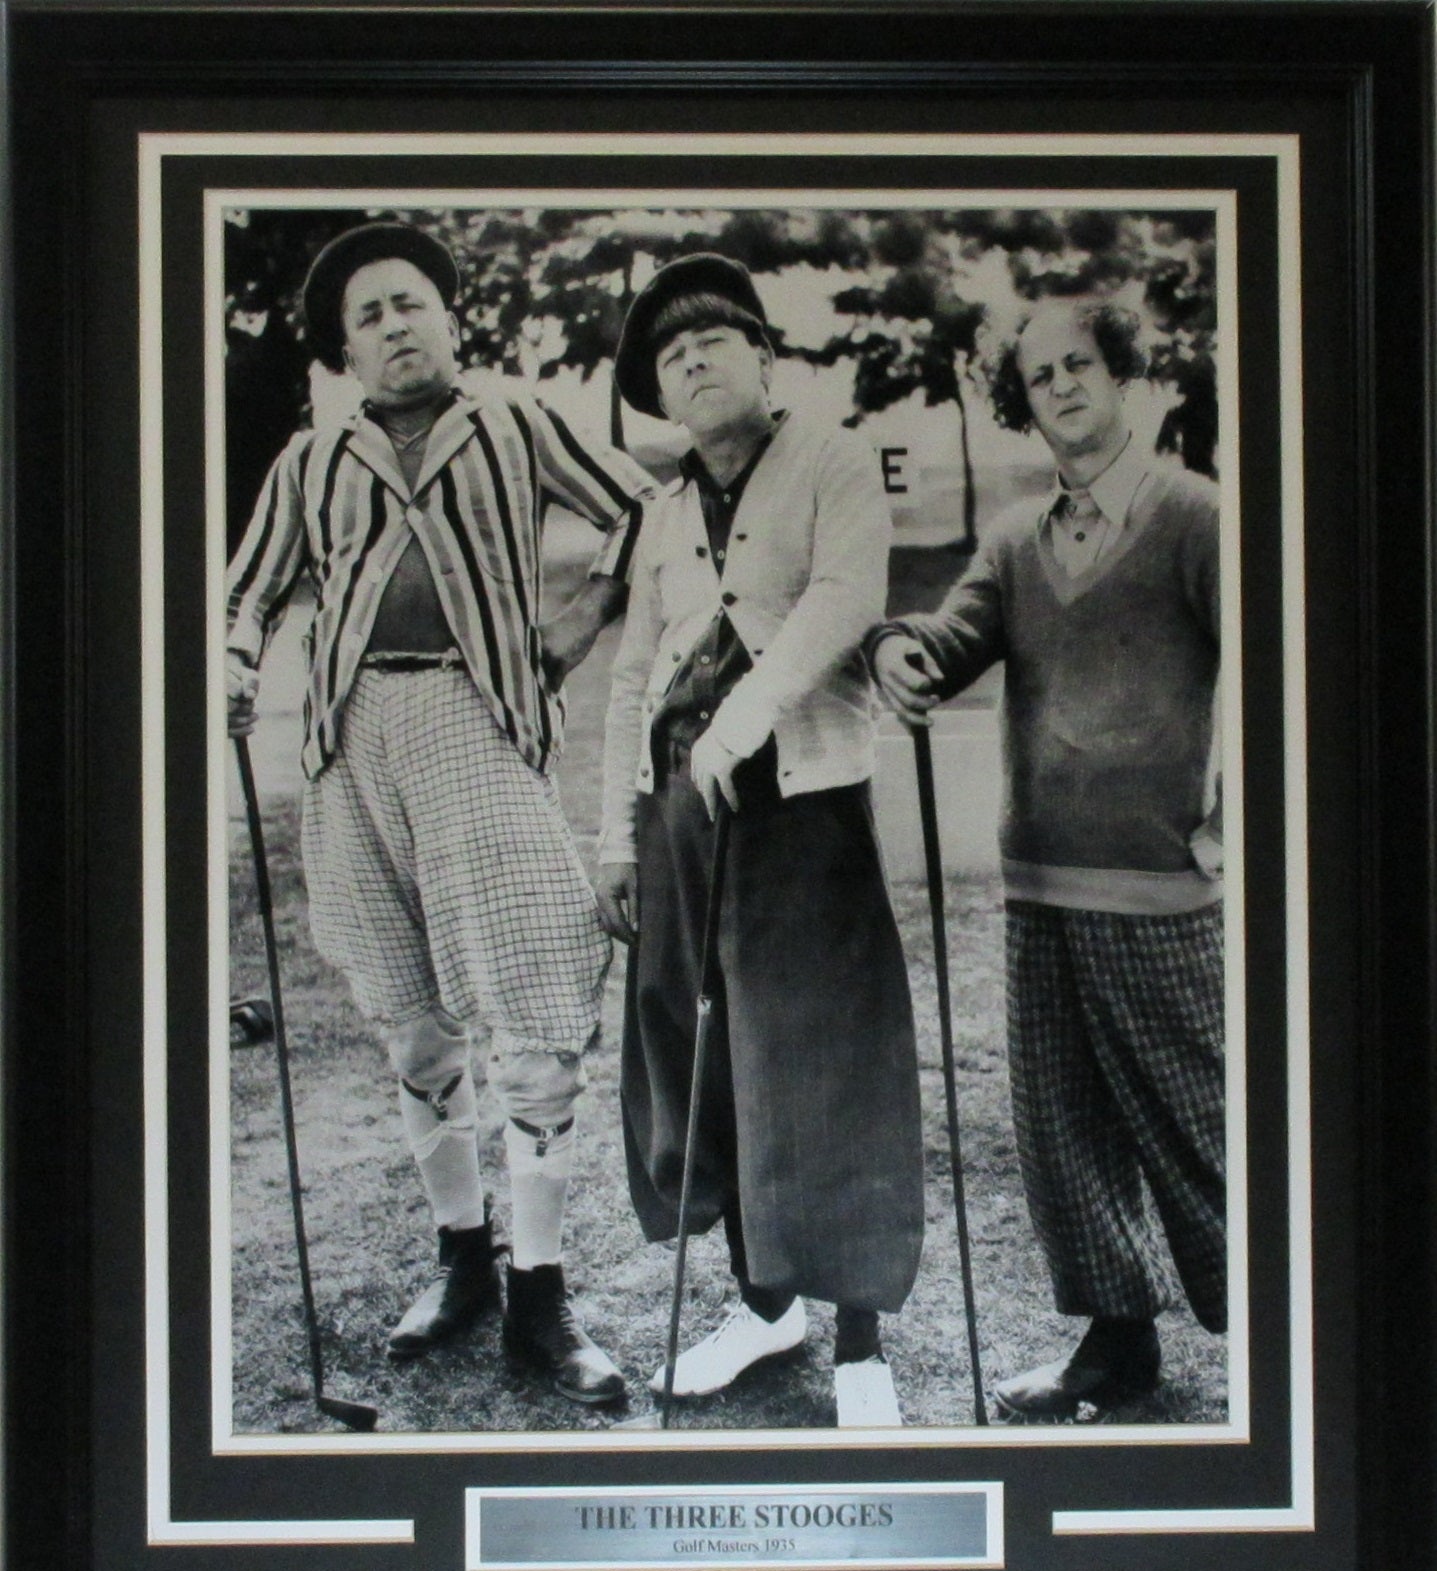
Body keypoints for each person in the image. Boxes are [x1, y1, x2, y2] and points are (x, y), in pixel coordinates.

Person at [226, 221, 656, 1406]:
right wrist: (231, 662)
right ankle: (463, 1257)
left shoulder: (514, 419)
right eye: (367, 316)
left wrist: (575, 626)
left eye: (410, 302)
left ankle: (544, 1297)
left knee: (529, 1004)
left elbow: (645, 512)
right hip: (349, 742)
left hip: (479, 727)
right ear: (343, 354)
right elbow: (249, 591)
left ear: (448, 315)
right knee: (410, 1018)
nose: (394, 325)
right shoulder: (313, 458)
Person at [870, 297, 1226, 1420]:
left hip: (1160, 885)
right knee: (1061, 1126)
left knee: (1200, 1127)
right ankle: (1117, 1345)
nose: (1062, 386)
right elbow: (947, 635)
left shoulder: (1197, 517)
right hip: (1039, 881)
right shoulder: (1017, 539)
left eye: (1081, 364)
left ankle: (1300, 1327)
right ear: (1018, 403)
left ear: (1121, 374)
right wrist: (899, 652)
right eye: (1038, 377)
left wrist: (1227, 818)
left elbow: (1286, 676)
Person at [596, 254, 925, 1429]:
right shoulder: (665, 506)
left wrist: (740, 719)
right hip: (682, 809)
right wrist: (615, 840)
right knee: (712, 1057)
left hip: (803, 799)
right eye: (668, 356)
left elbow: (845, 598)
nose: (691, 360)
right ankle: (762, 1302)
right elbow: (636, 670)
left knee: (825, 1058)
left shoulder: (832, 456)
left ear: (765, 357)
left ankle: (858, 1345)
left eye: (714, 339)